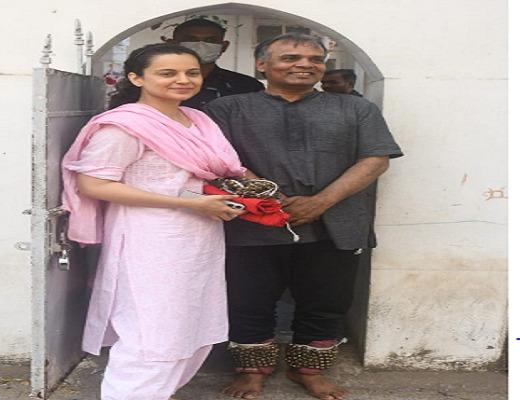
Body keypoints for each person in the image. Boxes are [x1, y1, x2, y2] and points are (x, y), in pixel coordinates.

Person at [205, 33, 403, 400]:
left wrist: (321, 202)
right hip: (253, 224)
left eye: (315, 59)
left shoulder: (355, 109)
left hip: (334, 224)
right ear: (261, 65)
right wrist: (271, 198)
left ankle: (307, 370)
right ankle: (252, 371)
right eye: (291, 57)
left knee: (326, 302)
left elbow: (375, 159)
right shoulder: (227, 109)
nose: (305, 64)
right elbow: (217, 163)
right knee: (248, 300)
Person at [61, 43, 246, 400]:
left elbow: (194, 178)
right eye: (168, 73)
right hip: (149, 239)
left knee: (191, 327)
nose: (183, 80)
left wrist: (222, 199)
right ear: (136, 77)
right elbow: (94, 184)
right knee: (152, 333)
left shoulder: (198, 120)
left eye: (191, 72)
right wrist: (188, 204)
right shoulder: (124, 127)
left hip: (198, 236)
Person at [109, 18, 264, 110]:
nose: (201, 45)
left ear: (224, 46)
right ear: (173, 43)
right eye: (192, 39)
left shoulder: (246, 86)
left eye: (210, 40)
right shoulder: (142, 89)